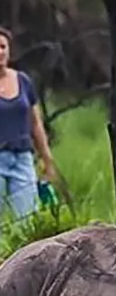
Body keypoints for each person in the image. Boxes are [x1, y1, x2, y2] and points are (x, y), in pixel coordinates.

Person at [0, 26, 59, 221]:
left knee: (27, 218)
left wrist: (47, 160)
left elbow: (35, 124)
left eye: (3, 46)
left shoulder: (23, 81)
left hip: (22, 158)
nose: (0, 52)